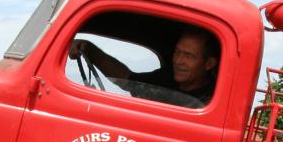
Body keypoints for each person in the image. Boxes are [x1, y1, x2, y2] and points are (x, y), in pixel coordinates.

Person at [69, 26, 218, 107]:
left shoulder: (210, 101)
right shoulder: (166, 79)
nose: (179, 61)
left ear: (209, 64)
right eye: (177, 52)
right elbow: (127, 81)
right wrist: (89, 48)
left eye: (189, 56)